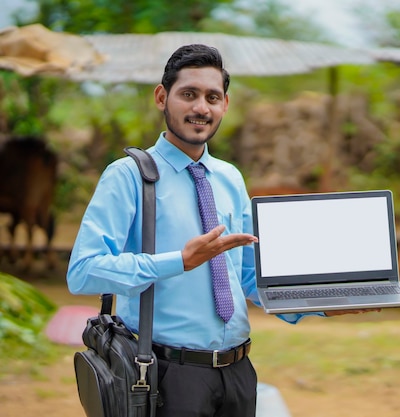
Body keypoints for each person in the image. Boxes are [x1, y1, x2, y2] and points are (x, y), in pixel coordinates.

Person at [67, 43, 377, 417]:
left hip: (238, 373)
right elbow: (84, 271)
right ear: (162, 98)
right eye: (189, 94)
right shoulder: (129, 176)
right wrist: (179, 261)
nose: (201, 107)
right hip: (168, 376)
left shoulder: (230, 178)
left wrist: (322, 305)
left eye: (212, 97)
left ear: (225, 105)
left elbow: (249, 278)